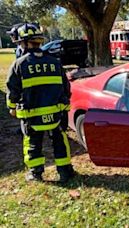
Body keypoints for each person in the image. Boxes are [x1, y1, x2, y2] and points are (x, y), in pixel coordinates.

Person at [5, 23, 75, 182]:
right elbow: (66, 87)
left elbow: (12, 89)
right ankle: (65, 172)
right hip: (56, 113)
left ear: (25, 42)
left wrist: (12, 107)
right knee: (60, 141)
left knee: (33, 143)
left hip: (32, 115)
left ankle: (36, 173)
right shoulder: (55, 62)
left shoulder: (19, 64)